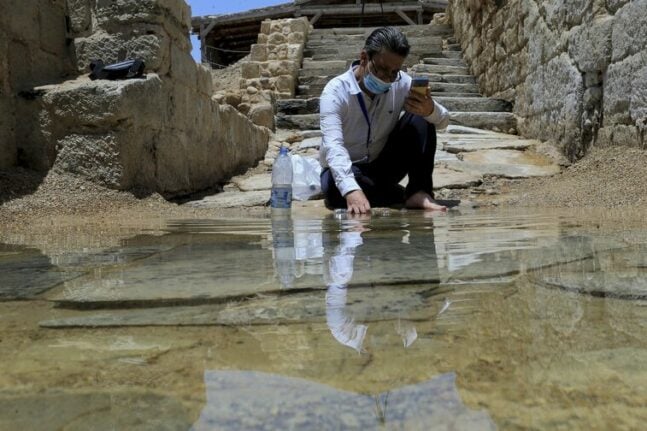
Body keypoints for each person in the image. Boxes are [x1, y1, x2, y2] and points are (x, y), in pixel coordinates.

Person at [319, 27, 450, 214]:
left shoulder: (400, 82)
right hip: (349, 167)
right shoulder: (334, 92)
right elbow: (333, 146)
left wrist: (430, 110)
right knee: (335, 188)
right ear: (364, 58)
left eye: (394, 72)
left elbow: (443, 121)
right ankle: (395, 194)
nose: (387, 79)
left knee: (421, 118)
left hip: (383, 165)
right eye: (381, 70)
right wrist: (351, 190)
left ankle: (419, 191)